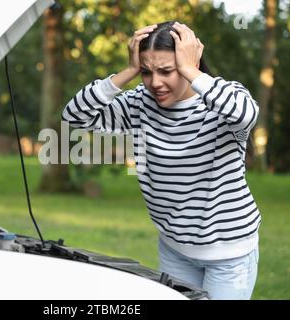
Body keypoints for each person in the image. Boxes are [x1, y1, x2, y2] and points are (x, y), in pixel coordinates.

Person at [62, 21, 260, 300]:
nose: (155, 82)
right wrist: (128, 72)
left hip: (229, 255)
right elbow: (75, 115)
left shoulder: (220, 101)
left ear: (189, 63)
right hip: (174, 249)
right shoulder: (138, 103)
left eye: (167, 71)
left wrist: (192, 70)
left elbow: (245, 115)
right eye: (146, 72)